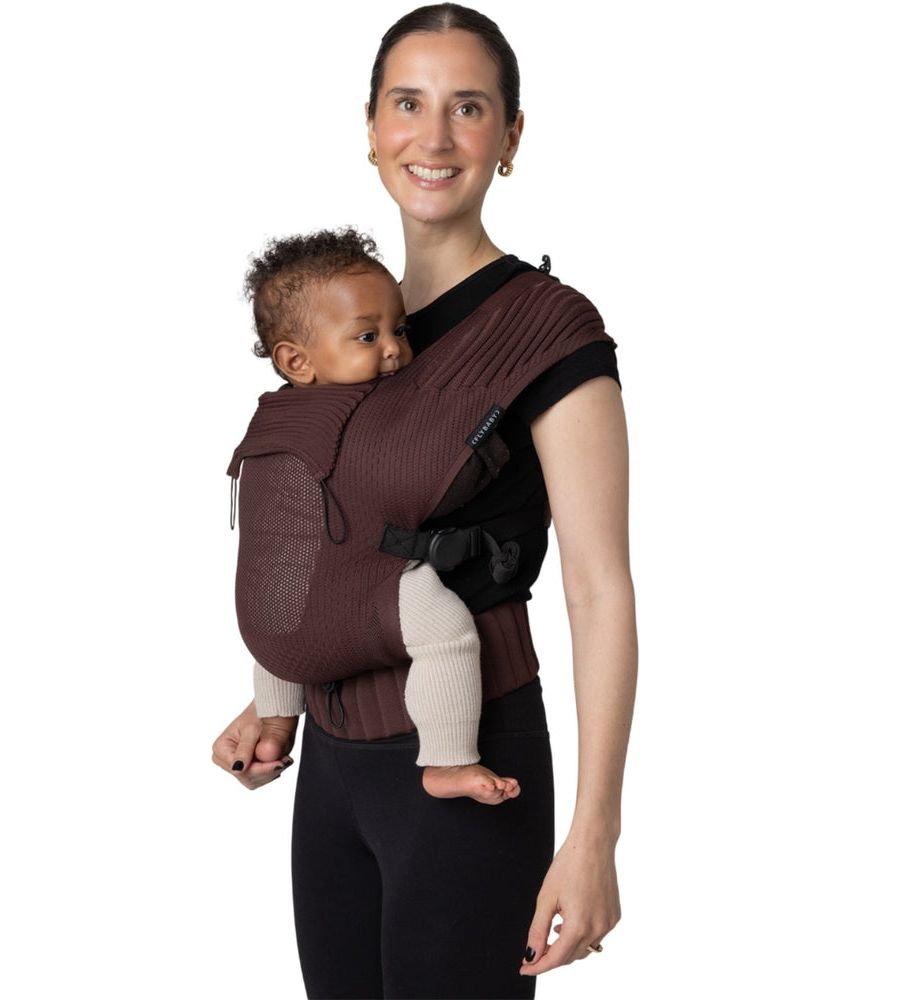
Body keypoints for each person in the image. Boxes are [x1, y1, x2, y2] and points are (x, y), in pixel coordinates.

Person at [212, 5, 637, 997]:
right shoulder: (344, 327)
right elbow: (338, 545)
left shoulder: (550, 332)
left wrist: (594, 835)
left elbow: (599, 591)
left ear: (510, 136)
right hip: (332, 775)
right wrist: (275, 699)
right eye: (408, 104)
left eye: (468, 107)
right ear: (370, 127)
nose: (434, 137)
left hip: (471, 765)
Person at [238, 225, 520, 805]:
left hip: (275, 617)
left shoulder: (271, 419)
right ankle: (447, 758)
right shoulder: (380, 408)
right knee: (447, 633)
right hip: (364, 586)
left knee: (283, 604)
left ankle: (275, 722)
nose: (393, 348)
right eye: (368, 336)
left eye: (400, 330)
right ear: (296, 360)